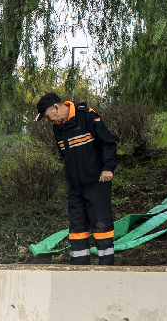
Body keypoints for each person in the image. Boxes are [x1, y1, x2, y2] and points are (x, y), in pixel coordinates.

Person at [38, 92, 118, 266]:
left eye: (46, 116)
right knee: (77, 229)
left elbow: (108, 143)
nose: (46, 121)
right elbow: (65, 155)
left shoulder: (86, 115)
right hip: (75, 187)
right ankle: (79, 271)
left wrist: (108, 168)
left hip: (97, 183)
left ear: (56, 108)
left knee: (101, 227)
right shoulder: (58, 127)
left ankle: (106, 271)